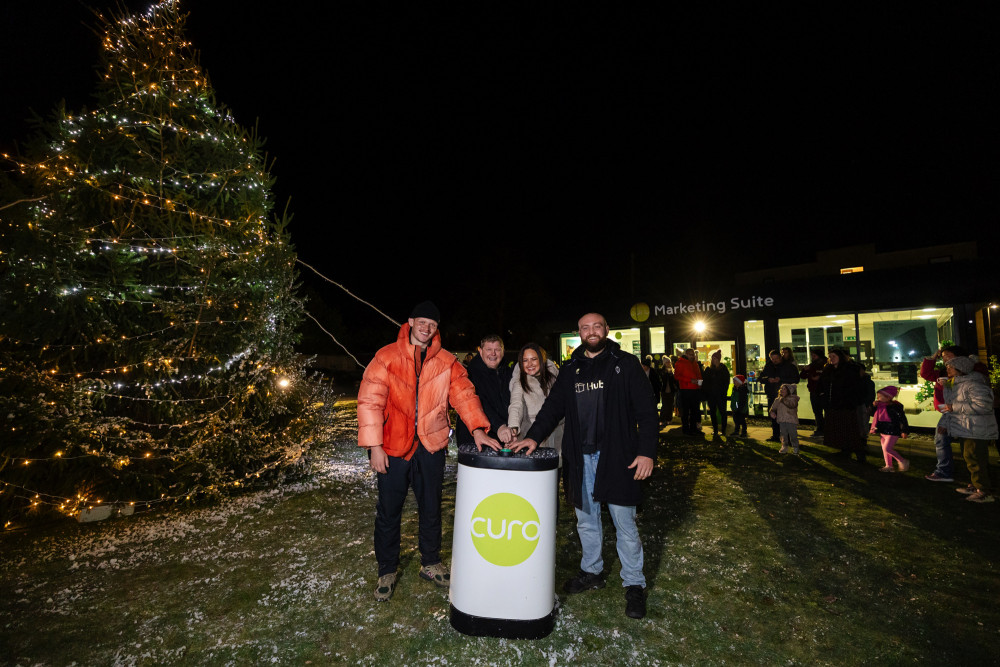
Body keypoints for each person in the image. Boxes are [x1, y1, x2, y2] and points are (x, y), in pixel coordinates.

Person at [509, 313, 657, 620]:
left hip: (618, 457)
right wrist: (534, 438)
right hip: (581, 458)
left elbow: (647, 410)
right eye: (585, 327)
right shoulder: (572, 369)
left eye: (597, 326)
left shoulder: (625, 364)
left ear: (606, 330)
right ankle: (592, 572)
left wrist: (647, 452)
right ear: (579, 333)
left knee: (624, 523)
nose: (591, 331)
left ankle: (634, 585)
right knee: (586, 520)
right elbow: (553, 408)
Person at [357, 301, 501, 602]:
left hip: (431, 447)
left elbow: (464, 394)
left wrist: (477, 429)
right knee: (388, 511)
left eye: (432, 324)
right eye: (422, 322)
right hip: (394, 448)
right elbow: (370, 402)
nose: (426, 328)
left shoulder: (447, 361)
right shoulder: (386, 357)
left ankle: (431, 562)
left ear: (437, 328)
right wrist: (375, 447)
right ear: (410, 322)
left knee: (432, 508)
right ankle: (387, 569)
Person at [921, 346, 988, 483]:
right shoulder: (946, 372)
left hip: (965, 413)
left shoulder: (971, 371)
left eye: (948, 355)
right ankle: (965, 479)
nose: (945, 359)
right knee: (947, 441)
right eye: (943, 356)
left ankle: (978, 485)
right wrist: (932, 358)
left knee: (971, 450)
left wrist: (947, 385)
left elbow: (974, 397)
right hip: (950, 411)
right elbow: (926, 374)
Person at [939, 355, 998, 503]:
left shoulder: (975, 384)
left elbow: (983, 406)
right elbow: (950, 405)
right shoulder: (957, 384)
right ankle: (975, 486)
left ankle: (984, 491)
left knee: (975, 459)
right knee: (970, 458)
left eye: (950, 367)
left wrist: (955, 407)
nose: (947, 369)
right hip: (966, 427)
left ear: (960, 368)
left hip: (976, 429)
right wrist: (946, 423)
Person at [500, 343, 564, 462]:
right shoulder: (520, 381)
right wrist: (513, 429)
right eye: (525, 360)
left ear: (542, 359)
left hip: (557, 436)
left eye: (534, 359)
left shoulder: (555, 378)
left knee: (555, 472)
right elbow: (515, 405)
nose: (529, 364)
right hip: (531, 436)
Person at [455, 334, 512, 446]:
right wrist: (500, 426)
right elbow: (480, 403)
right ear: (480, 352)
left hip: (502, 437)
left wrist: (512, 429)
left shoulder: (509, 373)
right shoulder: (470, 374)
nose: (493, 353)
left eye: (497, 349)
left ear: (503, 351)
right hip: (474, 438)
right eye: (489, 349)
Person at [821, 348, 868, 463]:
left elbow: (856, 387)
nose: (831, 358)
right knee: (839, 429)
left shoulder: (850, 369)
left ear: (840, 357)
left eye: (833, 356)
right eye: (830, 356)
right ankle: (844, 450)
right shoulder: (829, 369)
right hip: (834, 405)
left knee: (851, 430)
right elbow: (824, 385)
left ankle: (859, 454)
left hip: (847, 405)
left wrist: (853, 401)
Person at [758, 350, 800, 443]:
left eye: (776, 358)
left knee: (787, 416)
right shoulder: (769, 366)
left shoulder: (789, 366)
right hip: (772, 394)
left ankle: (788, 437)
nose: (775, 360)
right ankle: (776, 435)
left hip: (785, 395)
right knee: (773, 415)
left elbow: (796, 379)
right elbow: (760, 378)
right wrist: (768, 380)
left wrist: (781, 380)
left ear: (780, 357)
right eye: (772, 359)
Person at [869, 385, 910, 473]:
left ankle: (902, 461)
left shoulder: (895, 407)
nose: (878, 398)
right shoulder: (879, 406)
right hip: (883, 430)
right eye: (878, 396)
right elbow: (872, 414)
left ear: (888, 397)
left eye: (880, 396)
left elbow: (902, 419)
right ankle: (889, 466)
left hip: (893, 430)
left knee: (888, 448)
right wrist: (873, 406)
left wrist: (904, 430)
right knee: (885, 449)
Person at [674, 348, 704, 435]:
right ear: (686, 354)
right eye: (691, 355)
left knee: (695, 410)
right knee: (686, 411)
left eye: (693, 354)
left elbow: (698, 374)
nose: (693, 356)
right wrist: (690, 380)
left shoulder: (694, 363)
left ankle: (693, 429)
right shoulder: (680, 363)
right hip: (685, 390)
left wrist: (700, 381)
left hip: (695, 389)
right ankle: (686, 429)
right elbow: (676, 376)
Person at [701, 350, 731, 436]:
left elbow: (726, 382)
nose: (713, 360)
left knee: (722, 412)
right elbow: (705, 382)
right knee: (713, 413)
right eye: (712, 358)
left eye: (715, 358)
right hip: (711, 395)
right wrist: (707, 393)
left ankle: (723, 430)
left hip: (720, 395)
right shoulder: (709, 370)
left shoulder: (723, 369)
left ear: (718, 359)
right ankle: (715, 429)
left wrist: (723, 391)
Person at [800, 348, 828, 436]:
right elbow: (802, 375)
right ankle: (821, 429)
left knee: (822, 411)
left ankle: (823, 429)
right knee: (818, 411)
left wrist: (819, 377)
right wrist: (805, 370)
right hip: (814, 391)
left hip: (822, 392)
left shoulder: (825, 365)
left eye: (814, 355)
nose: (812, 357)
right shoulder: (812, 365)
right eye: (812, 355)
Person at [769, 383, 800, 454]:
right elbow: (773, 408)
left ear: (789, 391)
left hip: (791, 420)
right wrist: (772, 412)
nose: (781, 390)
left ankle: (795, 447)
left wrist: (783, 400)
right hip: (782, 420)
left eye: (784, 389)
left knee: (793, 435)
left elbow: (792, 405)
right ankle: (784, 446)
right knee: (783, 434)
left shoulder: (793, 398)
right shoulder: (778, 399)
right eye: (781, 388)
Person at [658, 356, 679, 424]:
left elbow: (674, 380)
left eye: (669, 362)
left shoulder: (672, 370)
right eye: (667, 362)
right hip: (664, 390)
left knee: (670, 405)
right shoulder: (662, 371)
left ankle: (669, 419)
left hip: (671, 390)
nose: (669, 363)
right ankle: (662, 419)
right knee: (664, 405)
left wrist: (671, 374)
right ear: (664, 363)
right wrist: (668, 374)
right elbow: (662, 379)